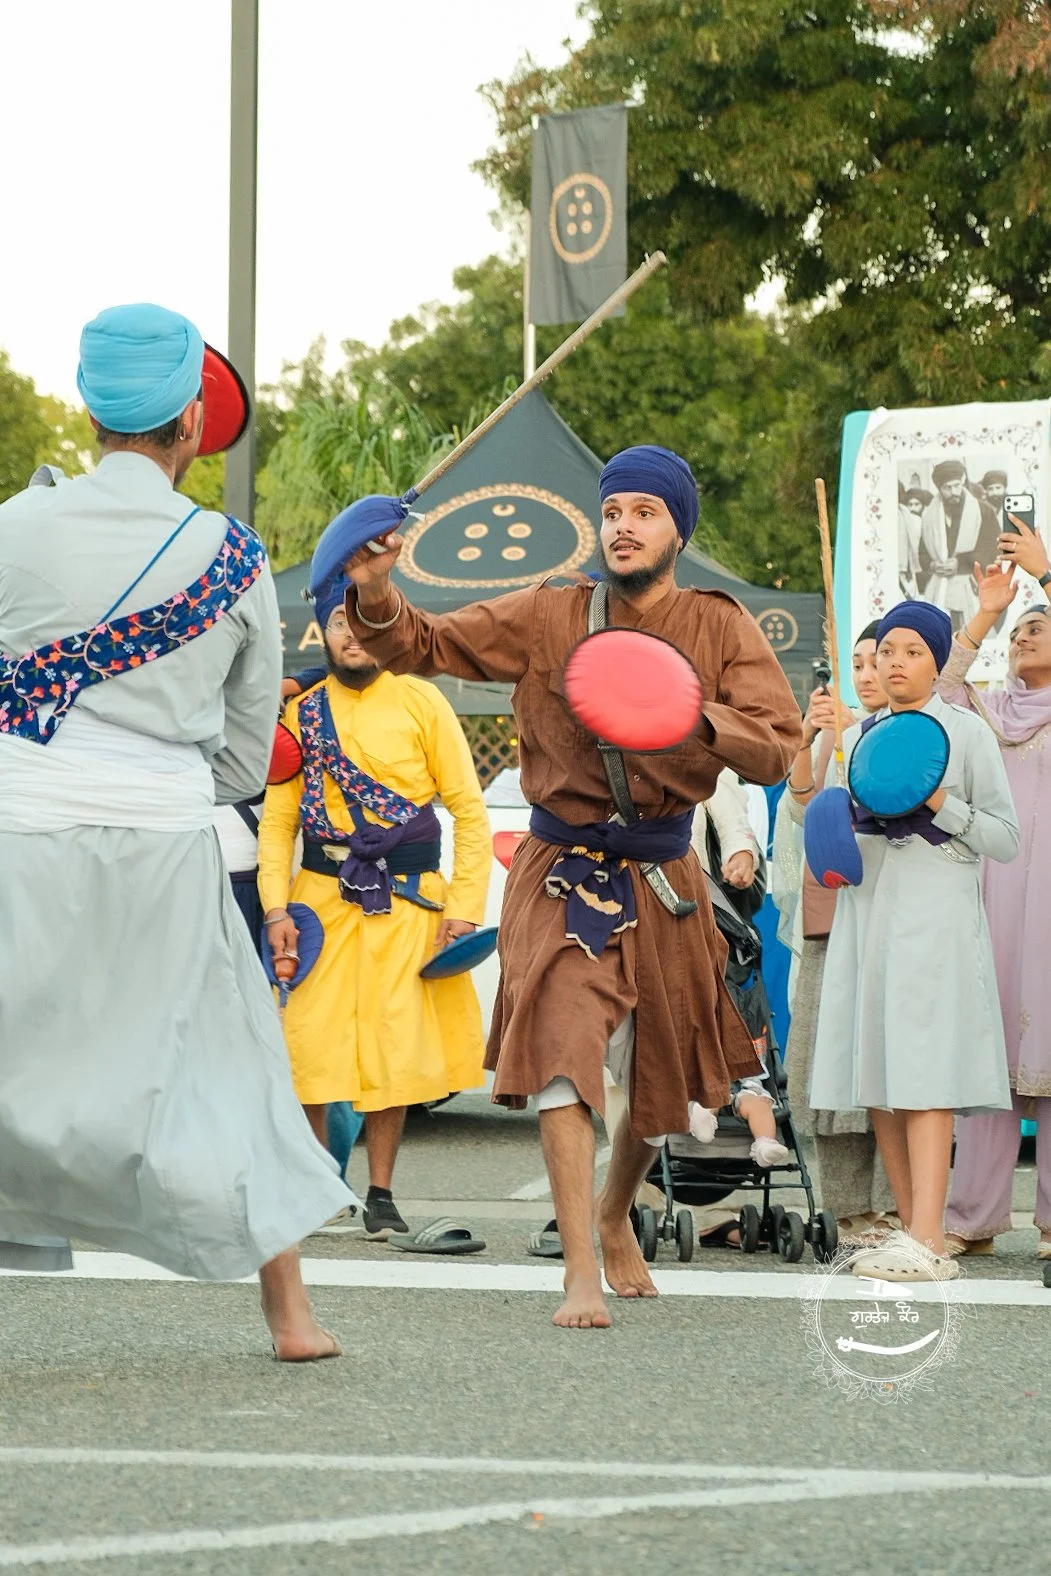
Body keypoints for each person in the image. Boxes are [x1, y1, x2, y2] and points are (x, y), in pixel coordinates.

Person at [340, 445, 801, 1326]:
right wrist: (372, 589)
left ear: (676, 530)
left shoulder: (717, 625)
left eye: (644, 512)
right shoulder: (550, 612)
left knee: (659, 1085)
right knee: (562, 1051)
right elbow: (421, 642)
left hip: (666, 871)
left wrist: (687, 712)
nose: (624, 526)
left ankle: (611, 1211)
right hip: (560, 870)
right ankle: (578, 1270)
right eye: (614, 510)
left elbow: (778, 743)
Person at [0, 304, 348, 1358]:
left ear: (85, 409)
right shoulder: (232, 560)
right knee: (235, 1062)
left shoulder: (10, 527)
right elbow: (245, 766)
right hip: (163, 846)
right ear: (193, 422)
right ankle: (288, 1314)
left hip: (17, 830)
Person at [256, 597, 492, 1240]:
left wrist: (465, 910)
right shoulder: (301, 713)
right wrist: (275, 905)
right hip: (317, 901)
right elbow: (279, 824)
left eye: (363, 624)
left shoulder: (423, 701)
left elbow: (469, 812)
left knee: (395, 1043)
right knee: (308, 1040)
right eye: (339, 623)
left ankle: (381, 1191)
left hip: (409, 901)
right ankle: (318, 1184)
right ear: (324, 634)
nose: (352, 634)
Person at [809, 602, 1019, 1281]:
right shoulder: (862, 732)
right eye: (882, 651)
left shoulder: (965, 732)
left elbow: (1004, 839)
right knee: (879, 1074)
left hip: (934, 913)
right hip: (868, 912)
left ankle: (930, 1237)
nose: (892, 662)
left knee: (924, 1072)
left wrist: (936, 803)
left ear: (935, 662)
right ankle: (906, 1226)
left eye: (909, 651)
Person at [935, 527, 1051, 1261]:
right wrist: (983, 614)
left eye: (1039, 625)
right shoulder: (984, 714)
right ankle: (969, 1218)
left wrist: (1045, 573)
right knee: (983, 1060)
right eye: (1018, 633)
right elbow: (938, 692)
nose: (1025, 635)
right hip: (987, 899)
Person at [777, 624, 896, 1242]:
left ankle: (896, 1208)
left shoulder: (907, 731)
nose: (868, 672)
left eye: (878, 660)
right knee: (824, 1070)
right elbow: (801, 807)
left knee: (887, 1069)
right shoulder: (840, 735)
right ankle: (848, 1210)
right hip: (829, 921)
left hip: (888, 920)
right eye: (857, 663)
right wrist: (809, 739)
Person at [919, 460, 1000, 624]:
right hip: (939, 591)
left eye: (956, 485)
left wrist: (961, 563)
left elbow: (994, 549)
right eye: (947, 488)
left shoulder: (983, 511)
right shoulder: (929, 515)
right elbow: (922, 553)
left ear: (963, 480)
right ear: (939, 489)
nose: (953, 492)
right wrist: (932, 565)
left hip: (971, 588)